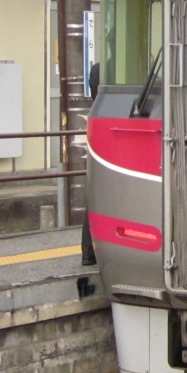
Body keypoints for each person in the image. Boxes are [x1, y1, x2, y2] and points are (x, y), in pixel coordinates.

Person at [81, 62, 99, 266]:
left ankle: (88, 252)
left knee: (95, 194)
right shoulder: (125, 72)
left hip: (98, 130)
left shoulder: (96, 69)